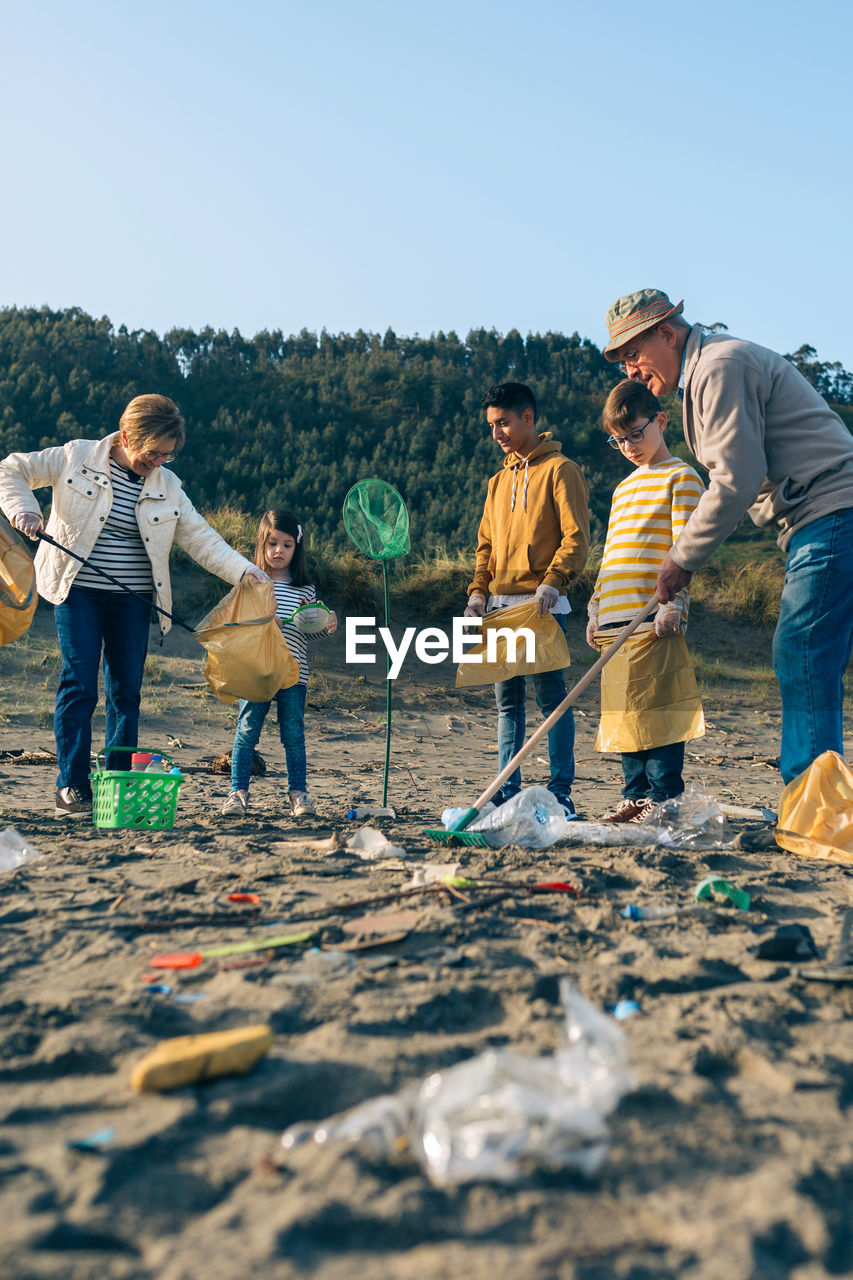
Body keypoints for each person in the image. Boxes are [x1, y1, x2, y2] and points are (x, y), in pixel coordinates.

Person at [602, 288, 853, 787]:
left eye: (633, 353)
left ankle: (810, 805)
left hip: (833, 512)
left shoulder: (717, 366)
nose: (630, 371)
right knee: (812, 655)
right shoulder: (704, 376)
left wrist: (680, 559)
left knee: (800, 651)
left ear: (667, 334)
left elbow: (735, 478)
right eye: (622, 362)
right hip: (820, 519)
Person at [0, 394, 267, 817]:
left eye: (168, 455)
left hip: (135, 599)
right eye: (152, 452)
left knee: (127, 692)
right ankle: (71, 786)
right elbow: (11, 469)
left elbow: (201, 538)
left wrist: (246, 572)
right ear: (126, 436)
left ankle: (116, 784)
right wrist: (24, 510)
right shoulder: (76, 456)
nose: (159, 461)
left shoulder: (168, 486)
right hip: (78, 590)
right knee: (80, 684)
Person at [465, 382, 589, 817]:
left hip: (542, 604)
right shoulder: (497, 482)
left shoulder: (561, 469)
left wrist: (554, 581)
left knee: (552, 700)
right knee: (508, 705)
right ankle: (505, 790)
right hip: (499, 606)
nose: (497, 432)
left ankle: (561, 793)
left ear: (528, 418)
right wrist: (478, 594)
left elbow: (576, 537)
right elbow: (486, 547)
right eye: (491, 425)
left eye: (504, 423)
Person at [587, 380, 705, 822]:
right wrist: (596, 605)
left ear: (660, 421)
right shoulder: (622, 489)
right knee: (624, 714)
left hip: (654, 614)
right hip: (616, 619)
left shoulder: (682, 476)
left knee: (658, 712)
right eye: (619, 440)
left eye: (636, 433)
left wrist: (675, 603)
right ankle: (633, 798)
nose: (628, 446)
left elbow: (685, 548)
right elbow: (611, 551)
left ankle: (663, 799)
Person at [222, 509, 337, 818]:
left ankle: (299, 795)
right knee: (247, 732)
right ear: (262, 543)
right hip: (257, 672)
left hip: (293, 674)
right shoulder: (252, 581)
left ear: (296, 548)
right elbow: (236, 626)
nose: (278, 551)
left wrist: (323, 625)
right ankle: (237, 794)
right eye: (272, 543)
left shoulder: (305, 589)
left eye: (287, 545)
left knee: (294, 736)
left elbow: (306, 633)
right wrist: (262, 620)